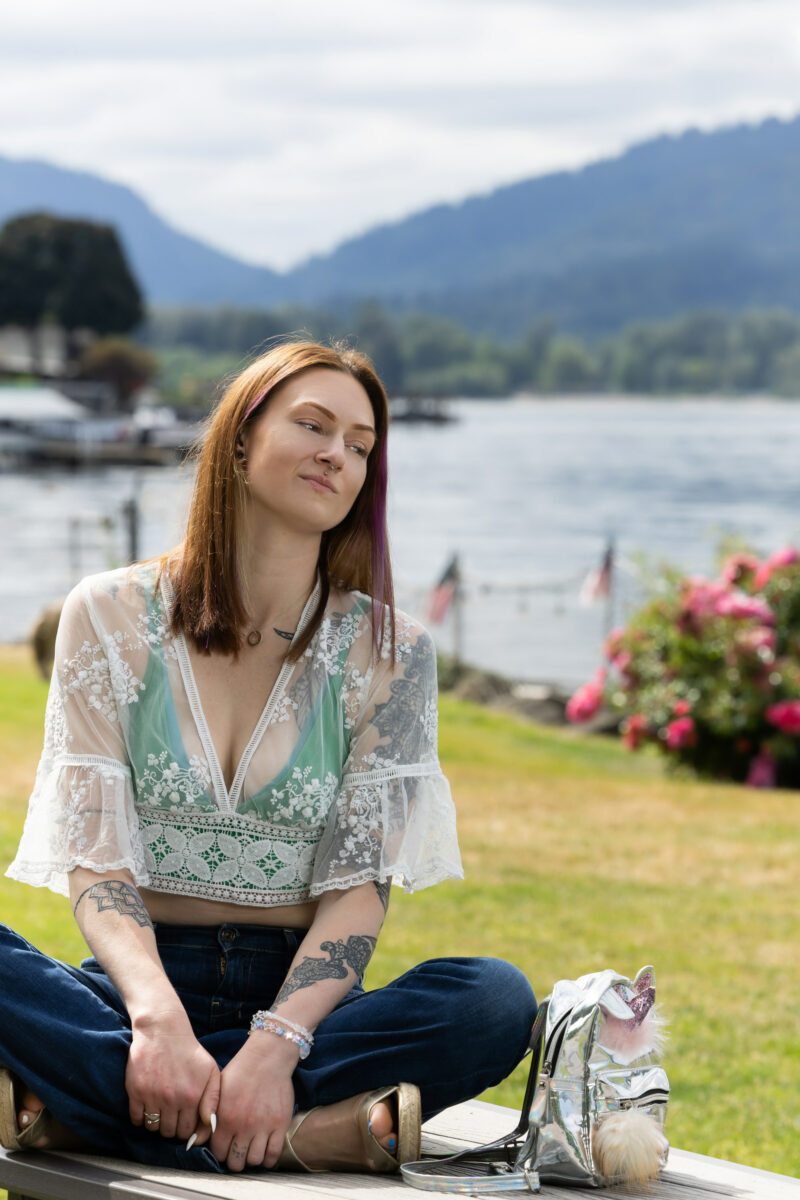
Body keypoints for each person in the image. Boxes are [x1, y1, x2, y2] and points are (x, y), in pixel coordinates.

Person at [0, 340, 537, 1175]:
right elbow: (97, 863)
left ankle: (95, 1112)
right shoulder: (106, 613)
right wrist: (156, 1022)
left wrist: (276, 1048)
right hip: (136, 989)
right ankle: (295, 1136)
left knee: (495, 1001)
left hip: (307, 1010)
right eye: (315, 426)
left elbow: (359, 890)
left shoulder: (391, 654)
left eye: (361, 446)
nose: (339, 454)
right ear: (240, 440)